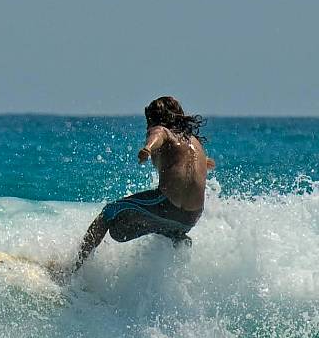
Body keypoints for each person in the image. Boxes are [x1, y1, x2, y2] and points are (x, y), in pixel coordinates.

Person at [68, 96, 214, 273]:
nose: (147, 126)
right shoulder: (195, 143)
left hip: (167, 204)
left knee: (109, 212)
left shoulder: (162, 130)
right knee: (123, 232)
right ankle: (179, 245)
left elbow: (157, 134)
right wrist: (205, 163)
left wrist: (148, 148)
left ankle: (73, 270)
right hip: (190, 218)